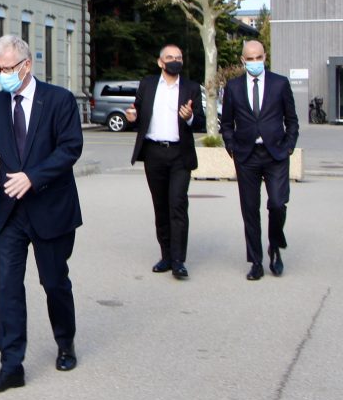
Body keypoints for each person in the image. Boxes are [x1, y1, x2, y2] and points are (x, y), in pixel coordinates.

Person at [0, 34, 83, 393]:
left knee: (54, 282)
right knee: (8, 286)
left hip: (51, 207)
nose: (2, 75)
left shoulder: (59, 101)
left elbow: (70, 149)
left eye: (7, 68)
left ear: (26, 65)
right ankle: (11, 364)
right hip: (9, 212)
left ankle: (65, 342)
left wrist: (33, 178)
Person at [220, 40, 300, 281]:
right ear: (243, 61)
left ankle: (275, 246)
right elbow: (226, 124)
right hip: (246, 156)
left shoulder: (280, 83)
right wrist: (231, 146)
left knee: (277, 203)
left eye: (259, 57)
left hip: (275, 154)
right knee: (250, 210)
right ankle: (255, 261)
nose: (255, 62)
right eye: (250, 59)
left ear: (265, 57)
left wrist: (288, 147)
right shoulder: (233, 87)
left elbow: (292, 120)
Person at [126, 44, 206, 279]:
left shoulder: (191, 88)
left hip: (180, 154)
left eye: (179, 57)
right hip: (153, 153)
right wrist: (132, 117)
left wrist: (190, 117)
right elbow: (137, 113)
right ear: (160, 62)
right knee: (161, 206)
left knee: (177, 205)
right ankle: (166, 256)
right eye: (170, 57)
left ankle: (179, 261)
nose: (175, 61)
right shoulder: (148, 84)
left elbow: (200, 121)